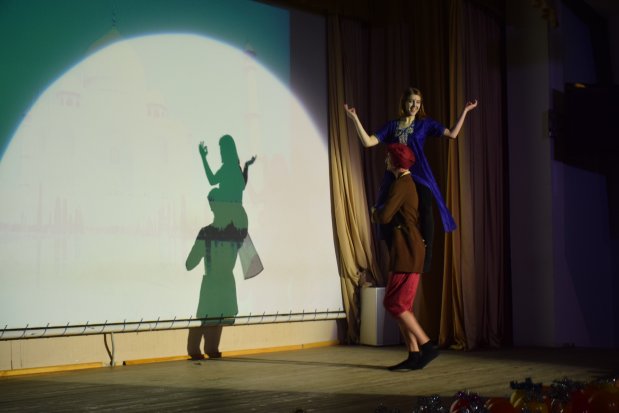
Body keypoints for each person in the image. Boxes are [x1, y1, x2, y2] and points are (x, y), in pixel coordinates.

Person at [345, 87, 478, 272]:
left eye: (418, 102)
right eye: (411, 101)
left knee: (426, 206)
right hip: (396, 174)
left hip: (418, 172)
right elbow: (368, 142)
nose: (414, 105)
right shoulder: (392, 126)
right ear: (404, 103)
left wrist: (465, 111)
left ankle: (427, 255)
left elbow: (453, 134)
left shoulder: (425, 124)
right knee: (385, 208)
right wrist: (354, 119)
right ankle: (396, 252)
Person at [372, 143, 437, 371]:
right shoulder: (404, 183)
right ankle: (414, 354)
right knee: (402, 305)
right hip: (406, 249)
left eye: (389, 157)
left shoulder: (401, 185)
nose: (386, 161)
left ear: (396, 162)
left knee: (395, 303)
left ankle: (427, 345)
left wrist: (374, 212)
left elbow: (384, 216)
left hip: (408, 250)